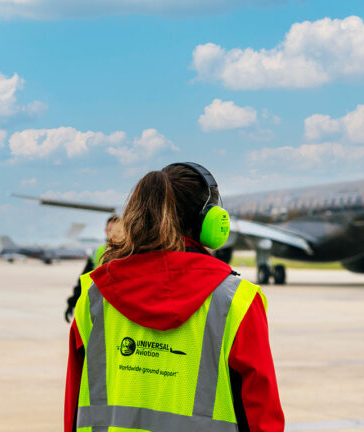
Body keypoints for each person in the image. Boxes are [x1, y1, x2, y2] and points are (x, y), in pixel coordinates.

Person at [64, 163, 284, 432]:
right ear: (210, 221)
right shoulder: (237, 301)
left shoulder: (94, 297)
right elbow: (261, 414)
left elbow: (75, 407)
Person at [64, 215, 120, 322]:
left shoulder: (129, 253)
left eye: (117, 230)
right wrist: (72, 303)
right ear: (105, 230)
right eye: (110, 229)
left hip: (117, 311)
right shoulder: (97, 252)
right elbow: (83, 281)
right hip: (98, 308)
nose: (113, 233)